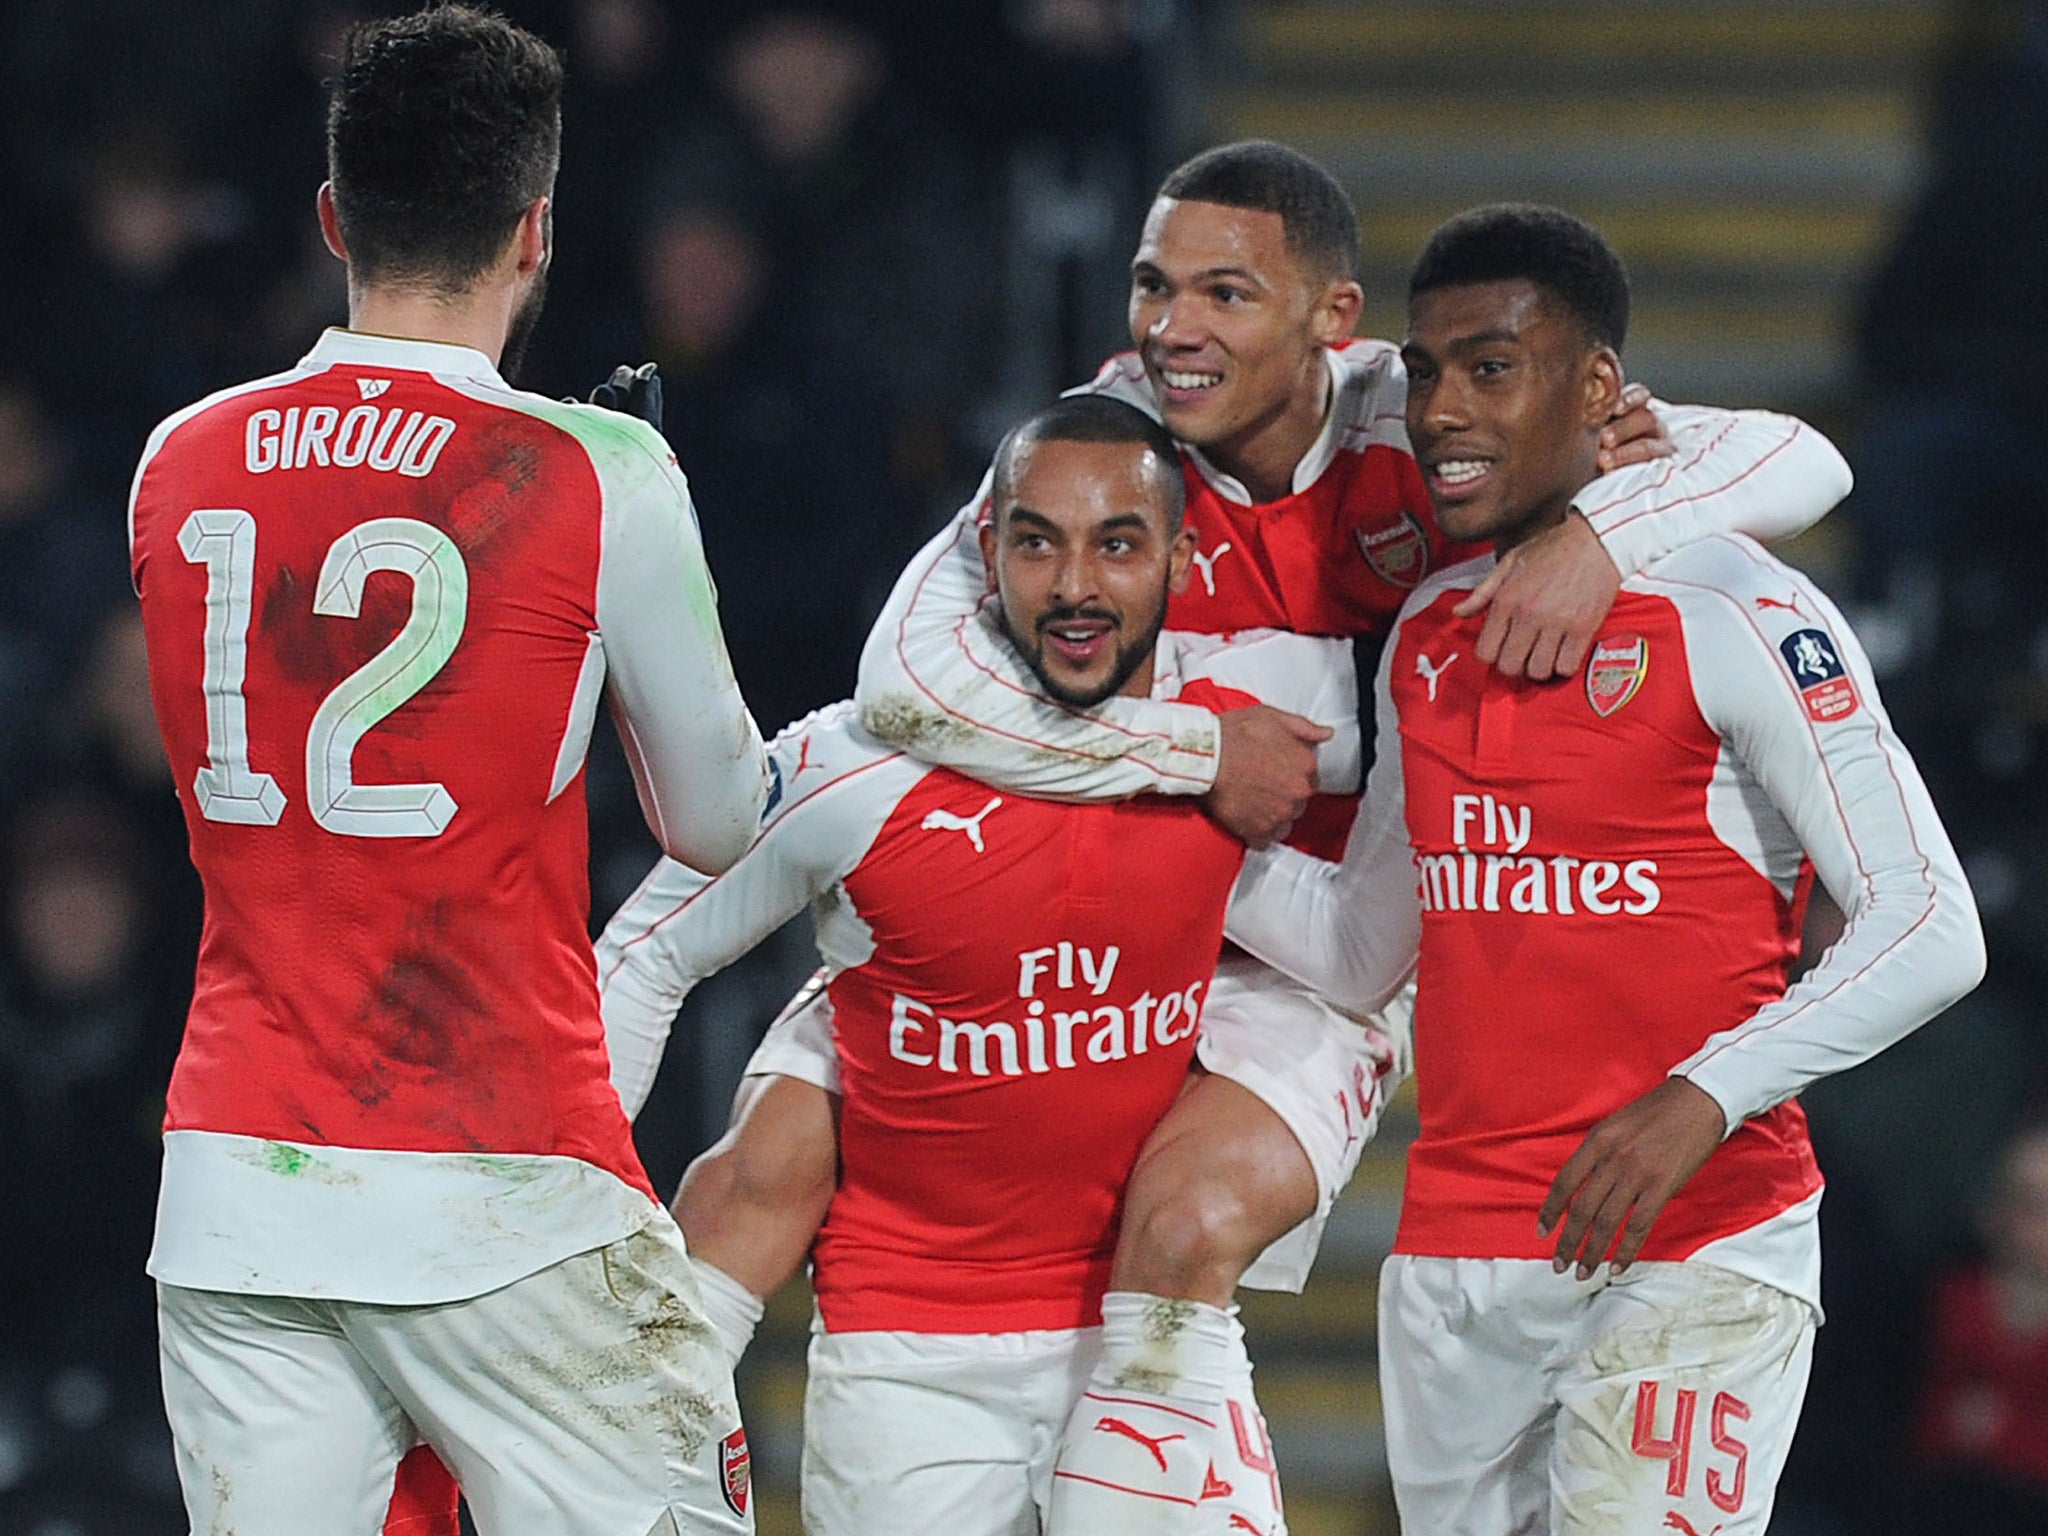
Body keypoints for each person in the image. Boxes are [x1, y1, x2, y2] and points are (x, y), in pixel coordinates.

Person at [684, 139, 1858, 1527]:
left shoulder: (1424, 435)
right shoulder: (1105, 448)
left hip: (1297, 954)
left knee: (1181, 1225)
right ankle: (624, 1472)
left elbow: (1797, 454)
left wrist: (1602, 534)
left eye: (1225, 296)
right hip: (1076, 905)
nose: (1173, 330)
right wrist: (1185, 756)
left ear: (1332, 322)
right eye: (1152, 286)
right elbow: (907, 678)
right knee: (750, 1178)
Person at [1219, 203, 1985, 1534]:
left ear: (1599, 392)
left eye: (1492, 367)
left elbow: (1930, 922)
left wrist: (1706, 1095)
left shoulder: (1739, 606)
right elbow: (1364, 947)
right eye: (1426, 370)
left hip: (1697, 1240)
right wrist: (1178, 836)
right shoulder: (1427, 635)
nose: (1445, 408)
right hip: (1458, 1259)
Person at [126, 9, 771, 1534]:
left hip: (237, 1192)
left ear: (336, 215)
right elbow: (718, 818)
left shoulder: (178, 458)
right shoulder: (598, 471)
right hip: (505, 1181)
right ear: (537, 228)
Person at [600, 395, 1369, 1534]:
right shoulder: (856, 769)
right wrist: (580, 1208)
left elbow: (1365, 942)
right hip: (904, 1367)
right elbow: (639, 962)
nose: (1073, 586)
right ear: (984, 553)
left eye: (1116, 542)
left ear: (1180, 558)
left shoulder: (1233, 765)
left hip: (1146, 1339)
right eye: (1036, 542)